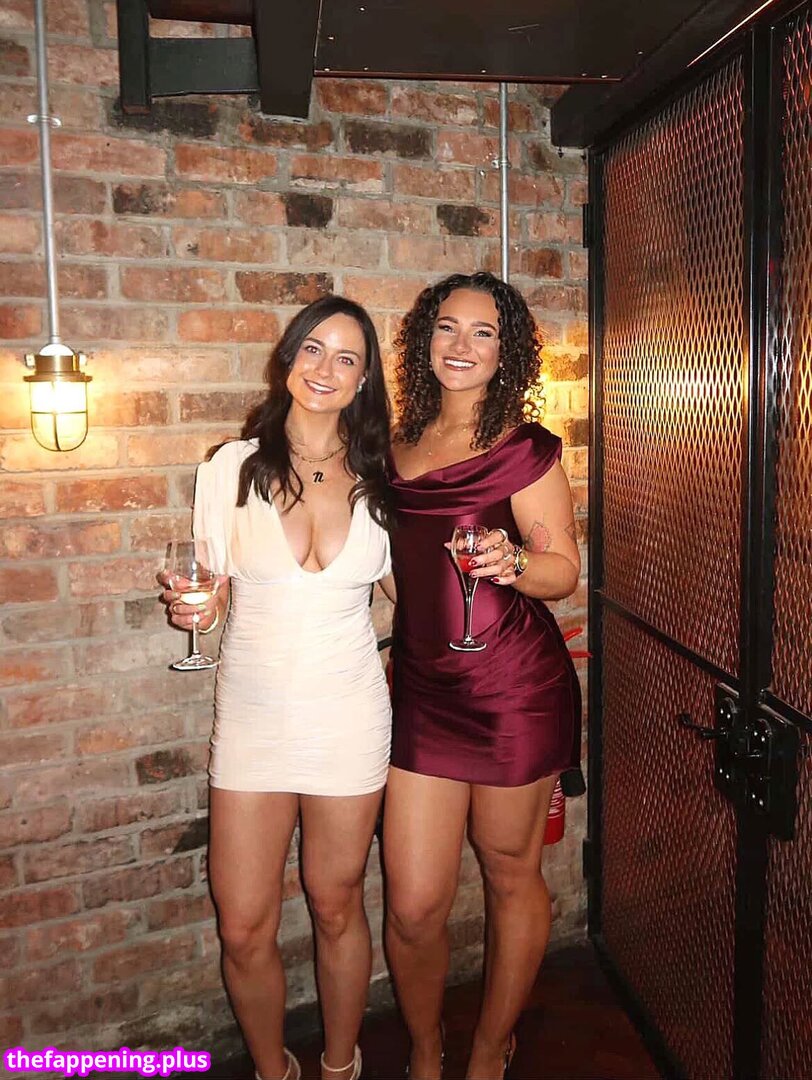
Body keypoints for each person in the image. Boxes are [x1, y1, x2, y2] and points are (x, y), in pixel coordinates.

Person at [162, 295, 395, 1080]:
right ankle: (274, 1070)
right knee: (242, 926)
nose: (326, 368)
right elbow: (211, 591)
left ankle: (338, 1067)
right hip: (254, 720)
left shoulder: (383, 478)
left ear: (363, 380)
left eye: (347, 357)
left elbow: (409, 597)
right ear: (288, 358)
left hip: (349, 718)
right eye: (313, 349)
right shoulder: (229, 468)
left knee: (336, 903)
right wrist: (194, 607)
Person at [384, 272, 583, 1080]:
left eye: (484, 332)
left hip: (513, 692)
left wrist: (516, 562)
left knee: (511, 873)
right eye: (447, 327)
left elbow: (564, 572)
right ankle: (424, 1049)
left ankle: (489, 1049)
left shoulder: (522, 449)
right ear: (424, 339)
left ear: (508, 353)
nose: (461, 345)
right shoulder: (394, 445)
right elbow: (396, 577)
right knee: (412, 904)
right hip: (425, 693)